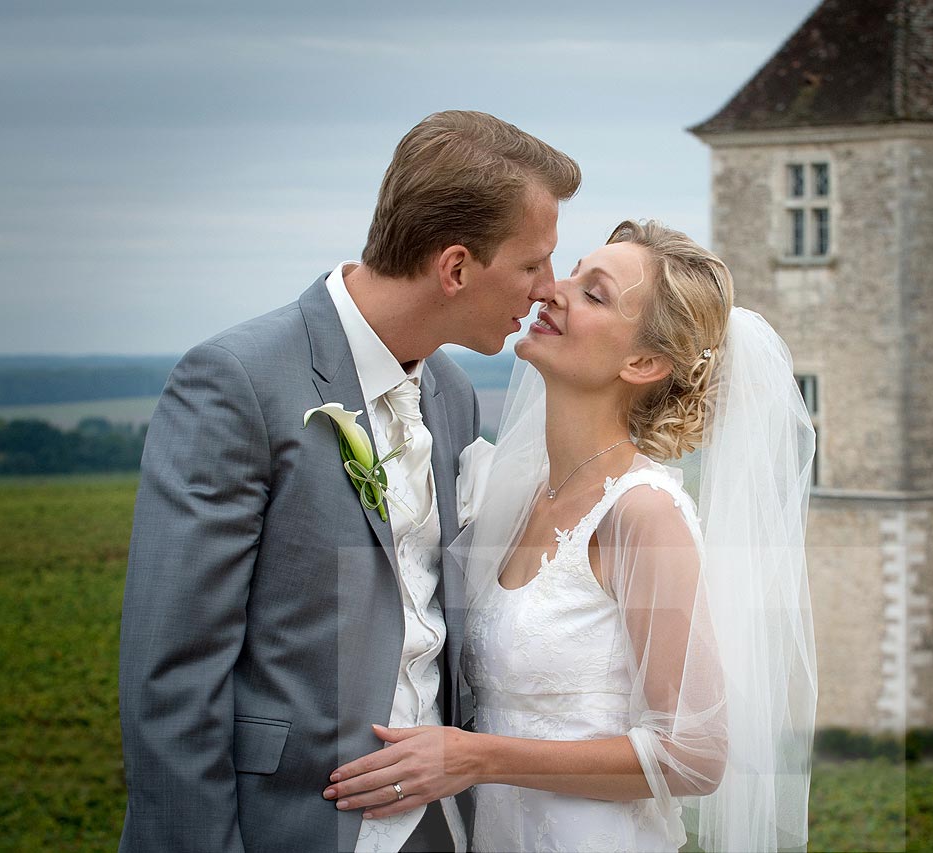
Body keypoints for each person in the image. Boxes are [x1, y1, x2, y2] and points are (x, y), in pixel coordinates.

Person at [118, 110, 580, 853]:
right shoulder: (238, 381)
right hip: (289, 824)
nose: (546, 289)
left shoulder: (453, 395)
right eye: (533, 264)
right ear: (456, 267)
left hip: (444, 828)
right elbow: (171, 676)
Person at [322, 221, 819, 852]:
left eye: (595, 293)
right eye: (573, 273)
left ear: (643, 362)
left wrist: (477, 759)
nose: (553, 290)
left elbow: (694, 756)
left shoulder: (643, 515)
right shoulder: (516, 492)